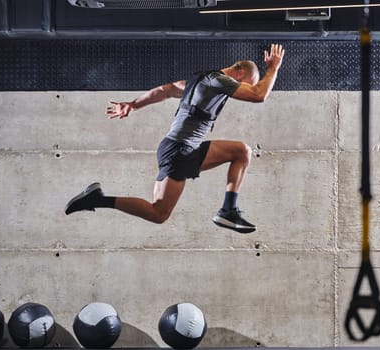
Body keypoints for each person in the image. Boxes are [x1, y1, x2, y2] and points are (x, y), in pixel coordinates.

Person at [65, 43, 285, 234]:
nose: (242, 89)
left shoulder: (198, 81)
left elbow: (166, 89)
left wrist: (133, 104)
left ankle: (228, 210)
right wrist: (273, 68)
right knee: (158, 213)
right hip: (180, 151)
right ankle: (97, 199)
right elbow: (259, 95)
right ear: (238, 71)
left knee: (242, 151)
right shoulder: (220, 80)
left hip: (183, 148)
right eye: (245, 83)